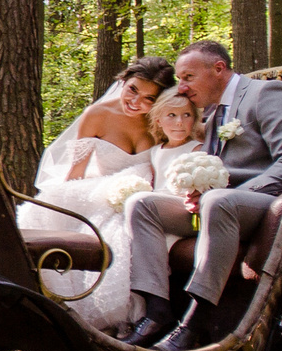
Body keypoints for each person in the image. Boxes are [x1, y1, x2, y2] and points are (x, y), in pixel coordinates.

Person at [120, 40, 282, 351]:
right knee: (142, 204)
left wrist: (228, 193)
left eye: (187, 77)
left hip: (264, 204)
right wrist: (194, 192)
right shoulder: (212, 111)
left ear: (218, 69)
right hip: (218, 205)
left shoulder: (267, 93)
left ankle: (194, 324)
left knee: (217, 201)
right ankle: (157, 313)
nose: (181, 88)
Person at [28, 59, 174, 331]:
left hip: (147, 200)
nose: (135, 101)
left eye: (148, 98)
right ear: (123, 81)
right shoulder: (97, 114)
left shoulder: (161, 121)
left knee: (126, 225)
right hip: (103, 194)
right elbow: (76, 171)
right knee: (99, 226)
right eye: (132, 90)